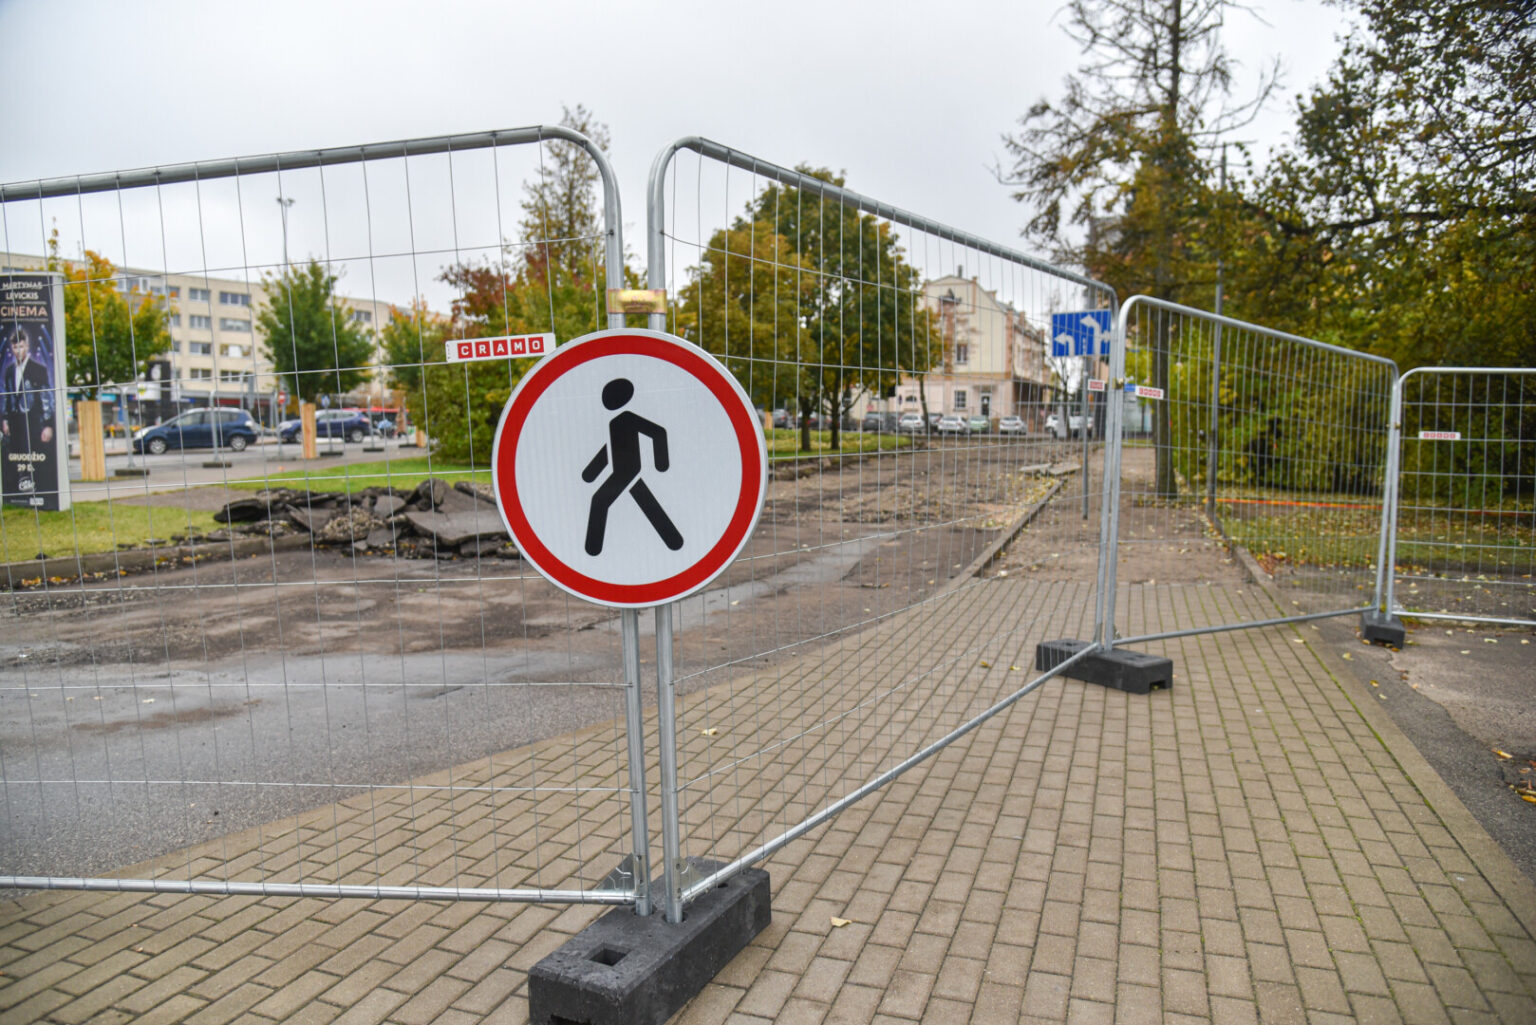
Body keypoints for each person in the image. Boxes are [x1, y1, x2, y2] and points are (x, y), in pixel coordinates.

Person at [2, 327, 55, 497]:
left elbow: (47, 397)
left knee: (36, 458)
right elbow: (8, 396)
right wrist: (4, 420)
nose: (18, 350)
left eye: (21, 346)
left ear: (27, 347)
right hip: (15, 423)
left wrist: (48, 425)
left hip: (33, 423)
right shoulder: (9, 371)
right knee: (16, 459)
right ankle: (19, 493)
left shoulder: (38, 368)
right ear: (12, 348)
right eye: (15, 347)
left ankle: (39, 492)